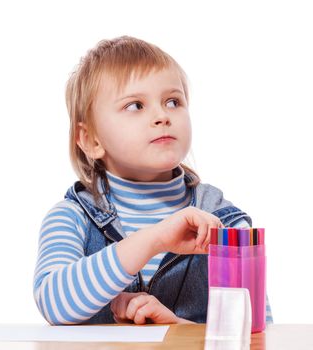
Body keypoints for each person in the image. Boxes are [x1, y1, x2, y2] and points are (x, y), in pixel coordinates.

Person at [33, 35, 272, 325]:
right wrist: (154, 239)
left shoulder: (224, 221)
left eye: (173, 101)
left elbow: (256, 335)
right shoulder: (71, 218)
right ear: (91, 139)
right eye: (135, 105)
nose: (161, 115)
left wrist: (176, 328)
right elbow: (54, 304)